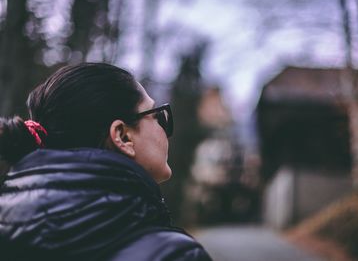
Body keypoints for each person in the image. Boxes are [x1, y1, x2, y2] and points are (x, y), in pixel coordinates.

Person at [0, 63, 212, 261]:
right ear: (122, 136)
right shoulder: (173, 254)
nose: (165, 131)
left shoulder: (11, 235)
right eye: (157, 115)